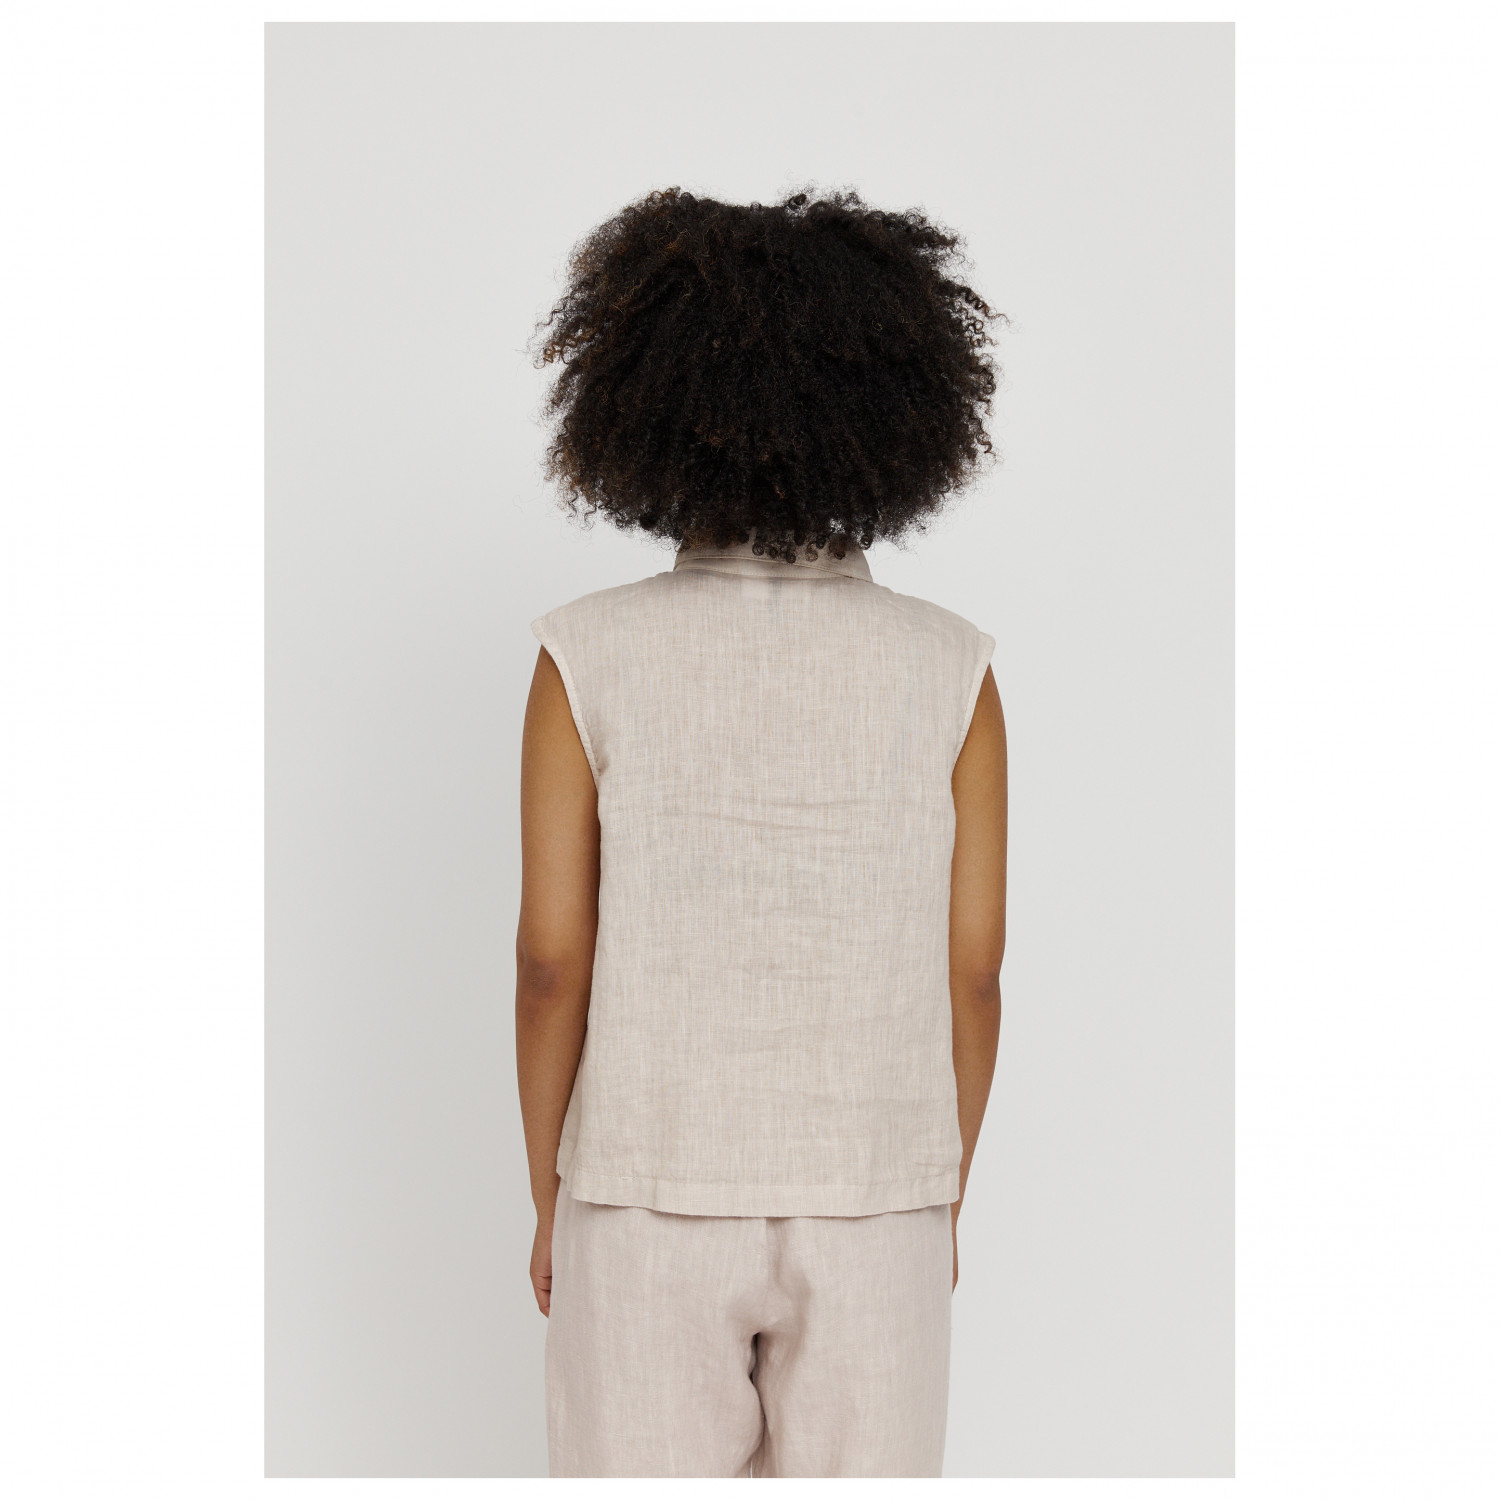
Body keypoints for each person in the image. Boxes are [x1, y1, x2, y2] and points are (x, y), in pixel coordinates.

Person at [515, 187, 1007, 1478]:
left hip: (643, 1180)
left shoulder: (586, 654)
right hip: (878, 1188)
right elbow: (973, 972)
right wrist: (939, 1189)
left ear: (644, 412)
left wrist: (551, 1189)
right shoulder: (951, 667)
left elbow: (553, 960)